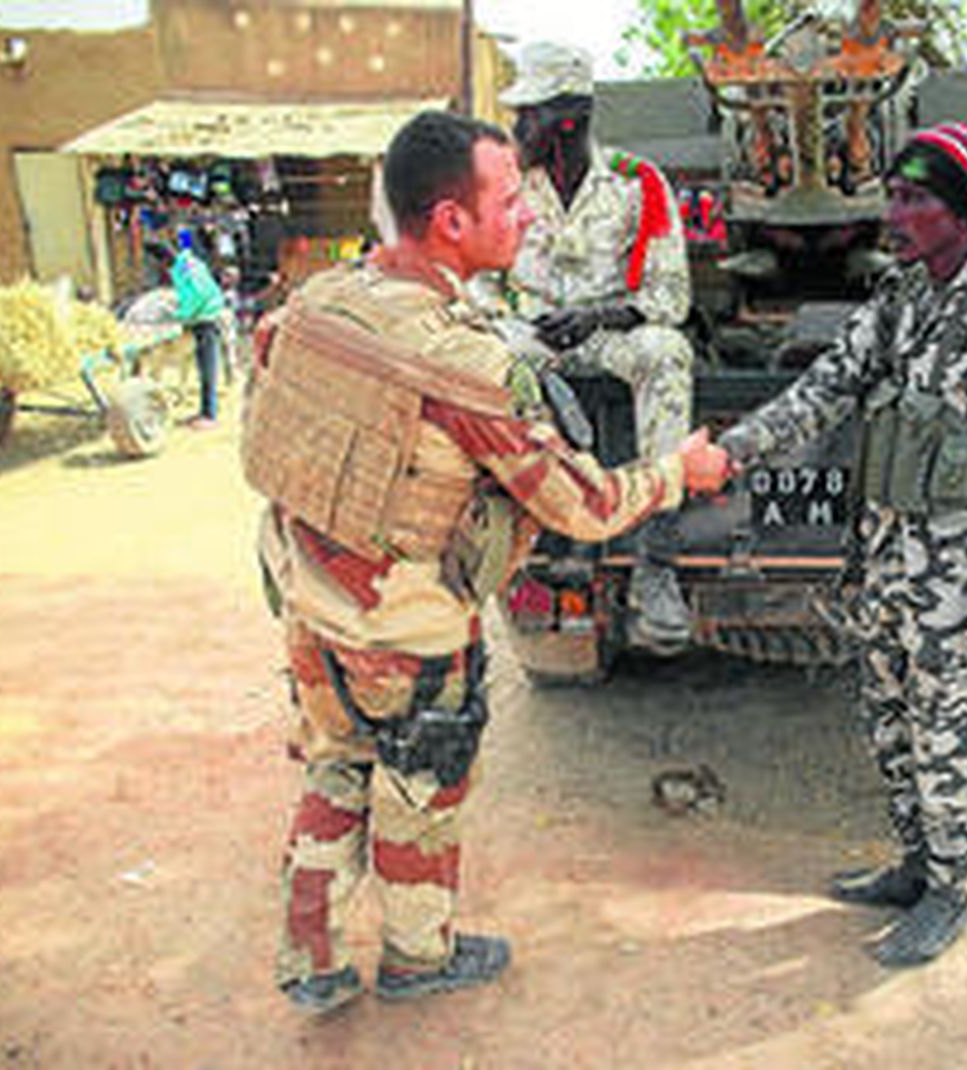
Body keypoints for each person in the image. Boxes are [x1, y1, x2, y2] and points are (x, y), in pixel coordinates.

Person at [243, 111, 729, 1014]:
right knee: (420, 791)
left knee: (335, 767)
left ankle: (309, 963)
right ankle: (419, 960)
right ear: (449, 222)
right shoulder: (466, 365)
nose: (530, 218)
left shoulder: (315, 304)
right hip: (406, 624)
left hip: (309, 599)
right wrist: (677, 472)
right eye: (508, 202)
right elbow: (581, 507)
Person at [718, 122, 967, 967]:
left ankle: (951, 888)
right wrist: (733, 449)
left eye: (913, 198)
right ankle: (914, 865)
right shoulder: (901, 296)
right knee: (889, 721)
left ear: (962, 208)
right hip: (889, 560)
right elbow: (826, 388)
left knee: (948, 735)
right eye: (891, 195)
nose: (893, 213)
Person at [488, 41, 699, 650]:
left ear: (569, 120)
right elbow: (474, 282)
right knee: (490, 358)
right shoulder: (504, 189)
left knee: (666, 350)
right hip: (529, 337)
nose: (517, 126)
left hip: (607, 335)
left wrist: (595, 316)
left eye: (529, 114)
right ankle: (529, 533)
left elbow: (669, 296)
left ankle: (656, 563)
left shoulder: (637, 184)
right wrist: (502, 321)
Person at [149, 233, 227, 428]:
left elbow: (199, 295)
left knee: (207, 367)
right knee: (203, 366)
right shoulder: (186, 263)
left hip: (207, 318)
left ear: (165, 259)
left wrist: (181, 315)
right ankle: (205, 410)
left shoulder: (185, 269)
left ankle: (210, 415)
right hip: (202, 316)